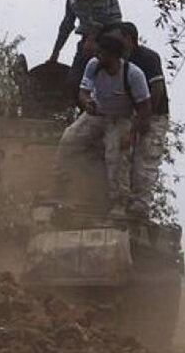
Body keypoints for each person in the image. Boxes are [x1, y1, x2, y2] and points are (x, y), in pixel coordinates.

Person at [52, 32, 152, 216]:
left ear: (113, 55)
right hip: (96, 114)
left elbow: (145, 108)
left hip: (120, 119)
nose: (97, 56)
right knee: (69, 139)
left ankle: (119, 202)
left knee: (116, 156)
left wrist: (132, 134)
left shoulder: (134, 74)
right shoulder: (93, 65)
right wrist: (86, 103)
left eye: (102, 53)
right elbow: (84, 91)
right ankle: (62, 184)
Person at [47, 0, 123, 92]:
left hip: (109, 35)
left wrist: (92, 38)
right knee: (74, 82)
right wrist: (55, 52)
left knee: (109, 77)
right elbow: (67, 24)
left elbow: (102, 12)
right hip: (87, 38)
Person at [117, 22, 169, 219]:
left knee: (145, 158)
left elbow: (157, 90)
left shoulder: (148, 58)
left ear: (129, 39)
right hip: (130, 113)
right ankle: (122, 200)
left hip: (154, 115)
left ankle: (139, 206)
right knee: (121, 154)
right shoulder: (118, 62)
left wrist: (144, 120)